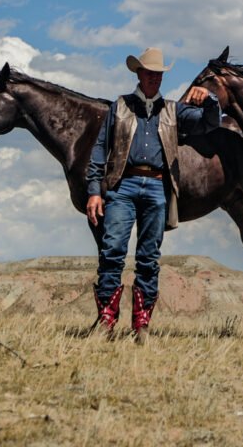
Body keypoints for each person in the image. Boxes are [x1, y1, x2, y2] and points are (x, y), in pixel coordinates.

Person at [85, 46, 221, 341]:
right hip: (123, 186)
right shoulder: (119, 107)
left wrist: (208, 100)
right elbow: (99, 148)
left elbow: (211, 124)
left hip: (158, 187)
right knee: (112, 252)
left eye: (158, 74)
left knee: (149, 257)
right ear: (139, 73)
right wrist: (95, 191)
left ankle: (141, 325)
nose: (154, 79)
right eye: (149, 73)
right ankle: (106, 320)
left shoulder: (174, 110)